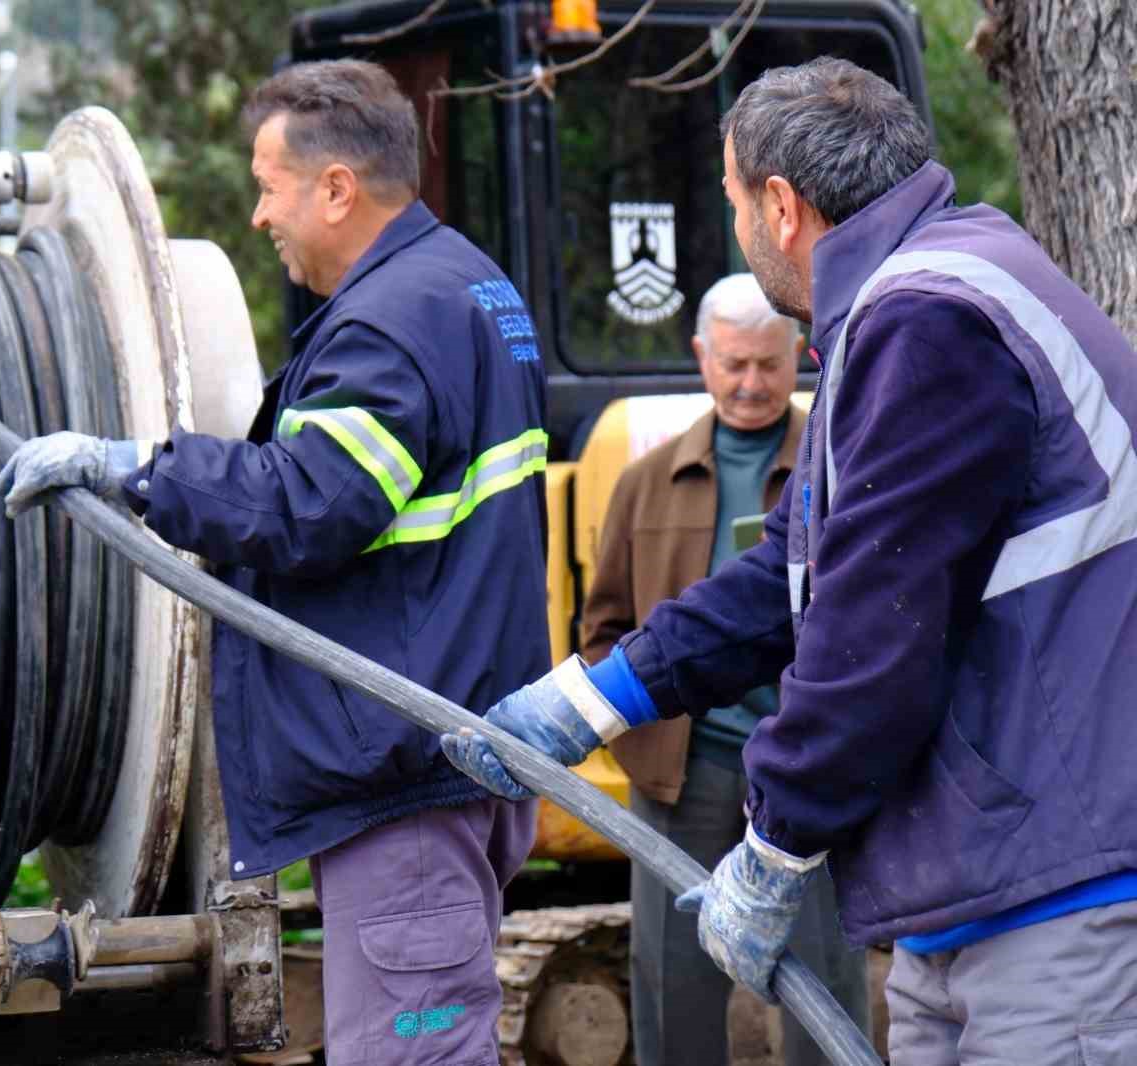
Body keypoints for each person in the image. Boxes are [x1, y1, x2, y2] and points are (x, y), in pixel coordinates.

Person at [444, 56, 1137, 1064]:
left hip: (1055, 890)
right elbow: (789, 577)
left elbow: (874, 628)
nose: (734, 226)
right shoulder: (905, 307)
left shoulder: (930, 319)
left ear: (779, 206)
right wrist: (593, 698)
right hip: (985, 883)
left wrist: (771, 848)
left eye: (728, 200)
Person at [0, 59, 550, 1066]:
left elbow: (307, 502)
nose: (259, 216)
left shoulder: (391, 320)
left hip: (406, 776)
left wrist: (134, 469)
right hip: (450, 747)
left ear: (336, 188)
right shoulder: (466, 282)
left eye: (270, 187)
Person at [577, 272, 867, 1066]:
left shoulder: (838, 464)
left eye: (768, 365)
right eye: (733, 363)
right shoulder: (646, 482)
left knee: (823, 978)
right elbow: (602, 625)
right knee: (673, 983)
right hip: (685, 771)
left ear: (797, 358)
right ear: (702, 357)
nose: (750, 383)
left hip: (803, 769)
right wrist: (637, 745)